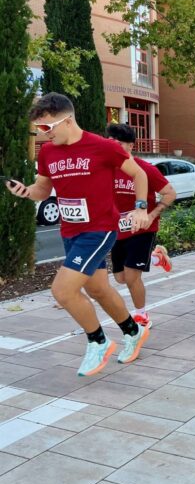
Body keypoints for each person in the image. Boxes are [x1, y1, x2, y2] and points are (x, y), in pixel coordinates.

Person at [5, 93, 151, 376]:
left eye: (47, 128)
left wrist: (141, 208)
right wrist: (25, 192)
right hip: (70, 230)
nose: (43, 135)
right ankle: (132, 331)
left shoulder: (103, 147)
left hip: (98, 230)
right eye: (39, 130)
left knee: (62, 290)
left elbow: (140, 175)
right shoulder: (48, 152)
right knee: (97, 289)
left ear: (68, 120)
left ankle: (98, 341)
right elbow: (42, 190)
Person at [106, 123, 175, 330]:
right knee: (119, 278)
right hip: (118, 230)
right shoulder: (105, 169)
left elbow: (170, 193)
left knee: (131, 276)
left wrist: (151, 215)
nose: (115, 148)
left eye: (120, 144)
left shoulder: (145, 169)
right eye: (111, 143)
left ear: (131, 146)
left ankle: (142, 315)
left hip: (143, 230)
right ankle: (156, 256)